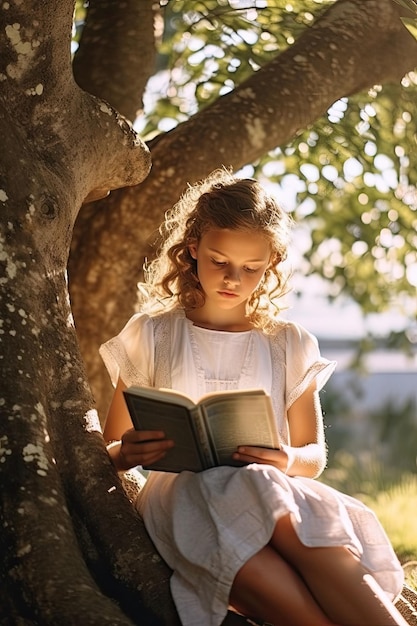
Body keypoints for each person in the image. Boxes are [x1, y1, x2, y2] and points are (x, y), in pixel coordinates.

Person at [100, 169, 407, 626]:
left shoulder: (288, 342)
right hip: (183, 501)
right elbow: (107, 449)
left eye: (251, 268)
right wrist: (126, 452)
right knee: (265, 571)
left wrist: (283, 458)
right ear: (192, 250)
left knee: (288, 516)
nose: (232, 279)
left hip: (271, 494)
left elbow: (312, 455)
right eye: (219, 261)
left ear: (272, 265)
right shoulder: (153, 334)